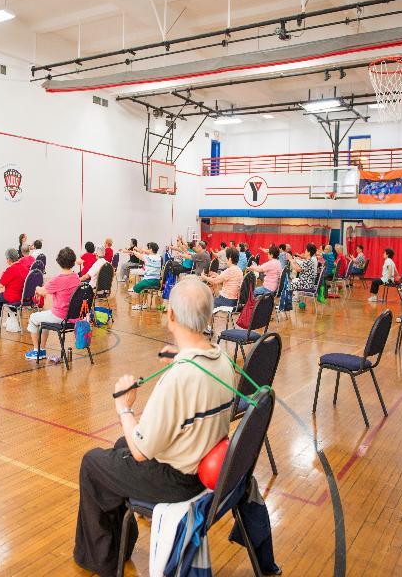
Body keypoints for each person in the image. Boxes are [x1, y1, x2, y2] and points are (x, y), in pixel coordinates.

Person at [73, 278, 236, 576]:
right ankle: (121, 539)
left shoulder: (180, 378)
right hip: (201, 466)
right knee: (118, 449)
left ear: (171, 315)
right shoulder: (222, 358)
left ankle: (101, 559)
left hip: (178, 480)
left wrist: (124, 406)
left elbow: (140, 450)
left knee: (93, 462)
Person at [25, 247, 81, 360]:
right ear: (73, 261)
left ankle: (37, 351)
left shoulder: (58, 279)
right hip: (73, 316)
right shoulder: (76, 278)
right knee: (43, 319)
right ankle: (42, 350)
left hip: (60, 316)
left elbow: (41, 291)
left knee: (32, 318)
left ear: (59, 262)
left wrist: (36, 287)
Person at [0, 246, 35, 332]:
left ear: (8, 259)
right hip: (24, 297)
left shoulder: (10, 269)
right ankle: (11, 319)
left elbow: (0, 285)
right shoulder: (24, 268)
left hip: (13, 297)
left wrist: (3, 274)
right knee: (8, 296)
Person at [129, 242, 163, 310]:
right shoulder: (159, 257)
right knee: (144, 288)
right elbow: (144, 253)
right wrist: (140, 250)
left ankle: (139, 305)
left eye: (148, 248)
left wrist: (134, 251)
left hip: (149, 281)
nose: (147, 249)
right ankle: (144, 304)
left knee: (136, 287)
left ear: (150, 249)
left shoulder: (147, 257)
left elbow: (139, 255)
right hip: (157, 281)